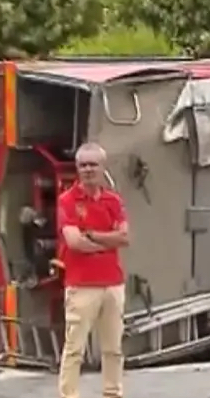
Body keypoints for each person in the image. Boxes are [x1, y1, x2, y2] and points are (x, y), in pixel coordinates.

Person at [57, 143, 131, 398]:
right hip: (81, 285)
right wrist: (107, 241)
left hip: (113, 284)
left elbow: (125, 238)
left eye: (93, 164)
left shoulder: (114, 201)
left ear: (103, 167)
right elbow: (74, 242)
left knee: (113, 348)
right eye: (83, 165)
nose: (88, 169)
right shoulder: (67, 201)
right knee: (74, 347)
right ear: (77, 169)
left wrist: (93, 235)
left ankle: (113, 393)